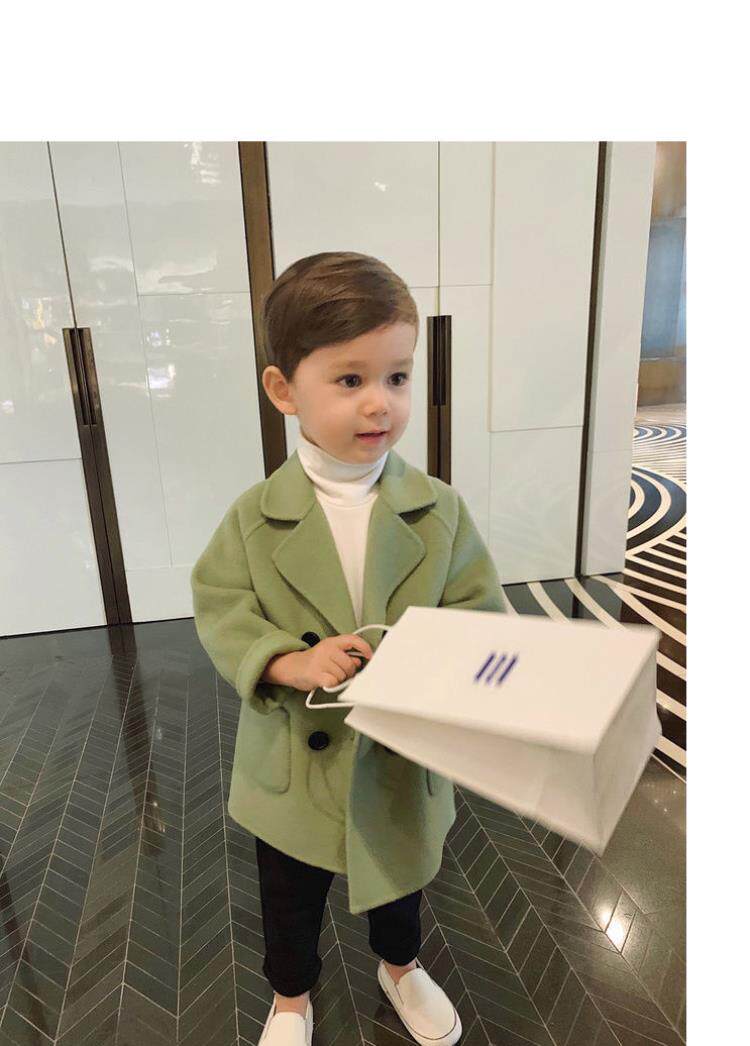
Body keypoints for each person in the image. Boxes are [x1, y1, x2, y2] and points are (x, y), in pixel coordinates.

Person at [190, 251, 507, 1046]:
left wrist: (442, 663)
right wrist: (286, 660)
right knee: (289, 895)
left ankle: (400, 967)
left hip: (397, 754)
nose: (380, 403)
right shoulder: (255, 516)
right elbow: (221, 603)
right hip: (294, 760)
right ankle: (290, 997)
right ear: (284, 390)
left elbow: (480, 612)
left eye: (397, 377)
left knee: (400, 880)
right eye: (350, 379)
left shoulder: (439, 510)